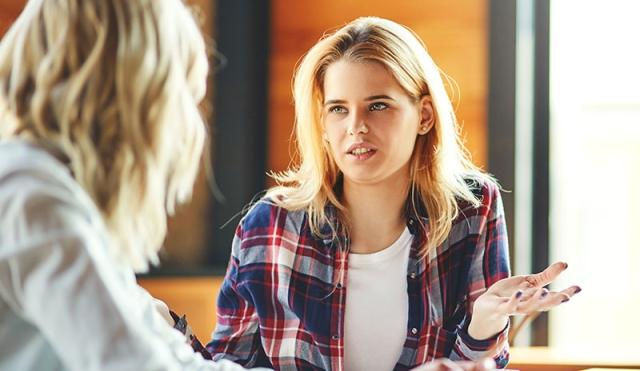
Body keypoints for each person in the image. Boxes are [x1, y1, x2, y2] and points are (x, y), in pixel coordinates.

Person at [207, 17, 580, 371]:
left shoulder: (472, 208)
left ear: (424, 115)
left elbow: (480, 367)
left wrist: (483, 323)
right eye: (338, 109)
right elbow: (226, 362)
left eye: (378, 105)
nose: (356, 127)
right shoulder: (269, 225)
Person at [0, 0, 269, 370]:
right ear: (137, 94)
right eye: (183, 95)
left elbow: (168, 355)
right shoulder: (33, 198)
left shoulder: (55, 196)